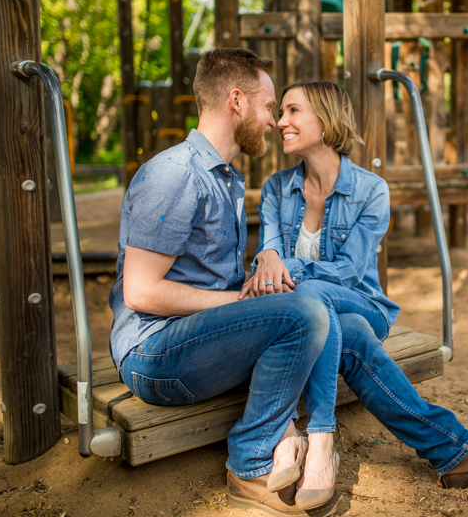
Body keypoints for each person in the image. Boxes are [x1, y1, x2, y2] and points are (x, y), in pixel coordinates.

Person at [240, 80, 468, 512]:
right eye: (282, 112)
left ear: (325, 120)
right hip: (324, 317)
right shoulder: (275, 188)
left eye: (292, 111)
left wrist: (287, 266)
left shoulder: (370, 190)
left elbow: (348, 270)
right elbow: (267, 253)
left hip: (364, 303)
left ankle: (317, 436)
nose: (280, 121)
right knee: (343, 329)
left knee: (315, 295)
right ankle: (456, 452)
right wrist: (269, 258)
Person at [108, 49, 339, 517]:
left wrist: (257, 281)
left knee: (319, 309)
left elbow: (211, 275)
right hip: (154, 355)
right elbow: (141, 292)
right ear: (236, 100)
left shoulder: (225, 178)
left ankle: (314, 438)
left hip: (194, 341)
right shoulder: (175, 175)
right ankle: (251, 463)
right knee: (305, 313)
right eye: (269, 106)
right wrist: (239, 300)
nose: (274, 121)